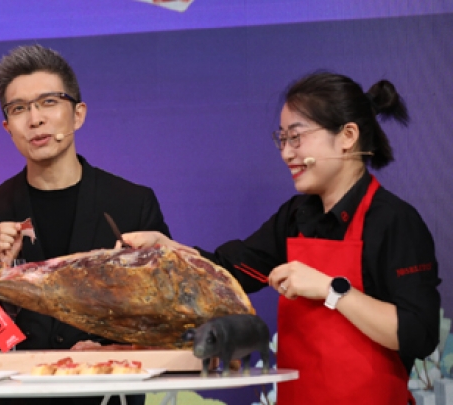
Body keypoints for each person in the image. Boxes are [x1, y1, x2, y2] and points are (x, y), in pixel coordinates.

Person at [121, 72, 440, 404]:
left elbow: (419, 333)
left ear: (347, 136)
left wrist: (331, 290)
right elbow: (229, 271)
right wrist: (167, 249)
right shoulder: (295, 216)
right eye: (282, 139)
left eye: (297, 138)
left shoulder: (394, 221)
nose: (286, 153)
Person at [0, 44, 170, 405]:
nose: (35, 119)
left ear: (78, 115)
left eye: (48, 102)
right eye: (19, 109)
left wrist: (112, 349)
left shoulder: (132, 204)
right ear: (7, 127)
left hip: (109, 394)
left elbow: (163, 316)